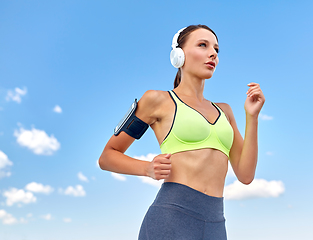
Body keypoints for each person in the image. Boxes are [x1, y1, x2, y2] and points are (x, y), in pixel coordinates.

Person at [99, 24, 265, 240]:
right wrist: (146, 168)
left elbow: (245, 175)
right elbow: (107, 156)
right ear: (179, 55)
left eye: (216, 49)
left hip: (216, 224)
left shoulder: (225, 111)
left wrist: (252, 117)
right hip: (171, 219)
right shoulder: (156, 100)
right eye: (202, 45)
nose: (212, 53)